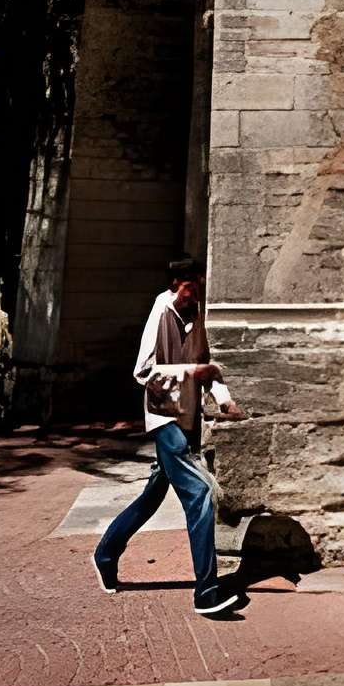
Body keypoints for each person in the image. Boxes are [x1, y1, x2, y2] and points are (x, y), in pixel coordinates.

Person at [93, 254, 244, 616]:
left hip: (188, 419)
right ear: (177, 284)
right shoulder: (161, 311)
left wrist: (224, 401)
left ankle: (105, 553)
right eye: (191, 287)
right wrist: (190, 371)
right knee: (202, 494)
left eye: (199, 287)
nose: (196, 294)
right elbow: (142, 371)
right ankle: (206, 592)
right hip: (165, 418)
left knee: (151, 497)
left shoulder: (195, 314)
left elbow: (208, 365)